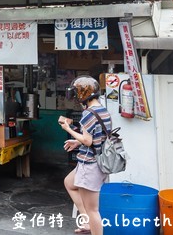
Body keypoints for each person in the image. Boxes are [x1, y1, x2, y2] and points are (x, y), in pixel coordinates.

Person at [60, 76, 112, 235]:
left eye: (77, 92)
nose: (76, 96)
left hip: (89, 164)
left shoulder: (88, 114)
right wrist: (77, 142)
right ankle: (87, 222)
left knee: (93, 210)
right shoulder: (102, 110)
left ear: (84, 94)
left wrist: (68, 128)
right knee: (69, 182)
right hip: (95, 161)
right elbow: (97, 138)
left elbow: (88, 140)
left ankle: (91, 225)